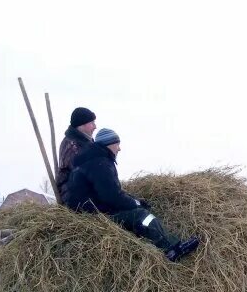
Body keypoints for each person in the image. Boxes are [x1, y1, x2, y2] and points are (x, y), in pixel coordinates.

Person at [64, 128, 199, 262]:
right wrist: (135, 204)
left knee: (134, 210)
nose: (119, 148)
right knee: (143, 216)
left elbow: (110, 192)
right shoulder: (100, 163)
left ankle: (151, 242)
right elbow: (111, 196)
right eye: (117, 144)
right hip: (94, 215)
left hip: (90, 210)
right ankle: (172, 249)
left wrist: (135, 200)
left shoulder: (91, 160)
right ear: (109, 144)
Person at [57, 107, 97, 199]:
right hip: (75, 196)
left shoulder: (85, 142)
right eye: (92, 123)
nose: (95, 126)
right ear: (81, 124)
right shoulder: (72, 145)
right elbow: (84, 172)